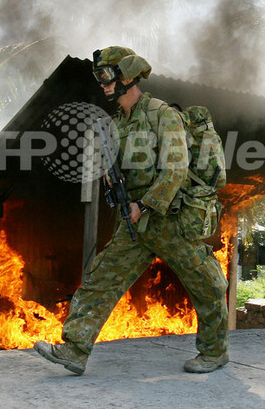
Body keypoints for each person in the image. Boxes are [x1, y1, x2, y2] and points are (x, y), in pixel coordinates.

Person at [34, 46, 229, 375]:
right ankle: (74, 350)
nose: (102, 84)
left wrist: (145, 204)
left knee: (207, 285)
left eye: (107, 76)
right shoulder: (115, 123)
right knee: (101, 280)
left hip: (171, 221)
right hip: (134, 222)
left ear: (127, 75)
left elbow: (175, 170)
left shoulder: (161, 114)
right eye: (99, 77)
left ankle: (214, 352)